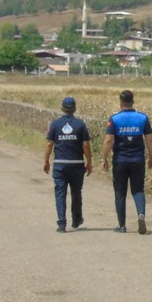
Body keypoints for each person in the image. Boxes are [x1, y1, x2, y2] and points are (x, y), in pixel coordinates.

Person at [101, 90, 152, 234]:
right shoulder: (142, 118)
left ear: (120, 102)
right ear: (133, 102)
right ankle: (141, 214)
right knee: (138, 190)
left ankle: (122, 225)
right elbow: (149, 139)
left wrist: (104, 158)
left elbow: (108, 140)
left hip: (120, 161)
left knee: (120, 192)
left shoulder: (115, 119)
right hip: (138, 160)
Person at [44, 96, 92, 233]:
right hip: (77, 164)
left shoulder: (55, 124)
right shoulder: (80, 124)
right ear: (74, 109)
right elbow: (86, 145)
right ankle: (76, 219)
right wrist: (89, 162)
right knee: (76, 192)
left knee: (60, 193)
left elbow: (49, 144)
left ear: (62, 109)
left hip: (60, 164)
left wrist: (46, 161)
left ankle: (61, 223)